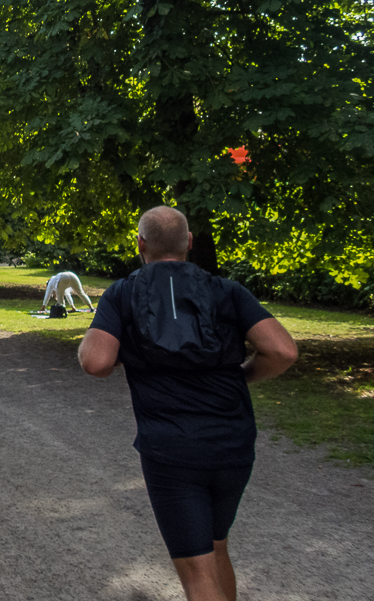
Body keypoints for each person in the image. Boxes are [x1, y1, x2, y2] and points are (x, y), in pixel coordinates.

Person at [78, 206, 298, 601]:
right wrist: (242, 375)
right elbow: (282, 351)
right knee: (216, 546)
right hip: (233, 443)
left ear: (140, 243)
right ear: (190, 243)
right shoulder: (227, 291)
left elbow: (95, 363)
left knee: (197, 572)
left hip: (172, 450)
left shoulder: (122, 293)